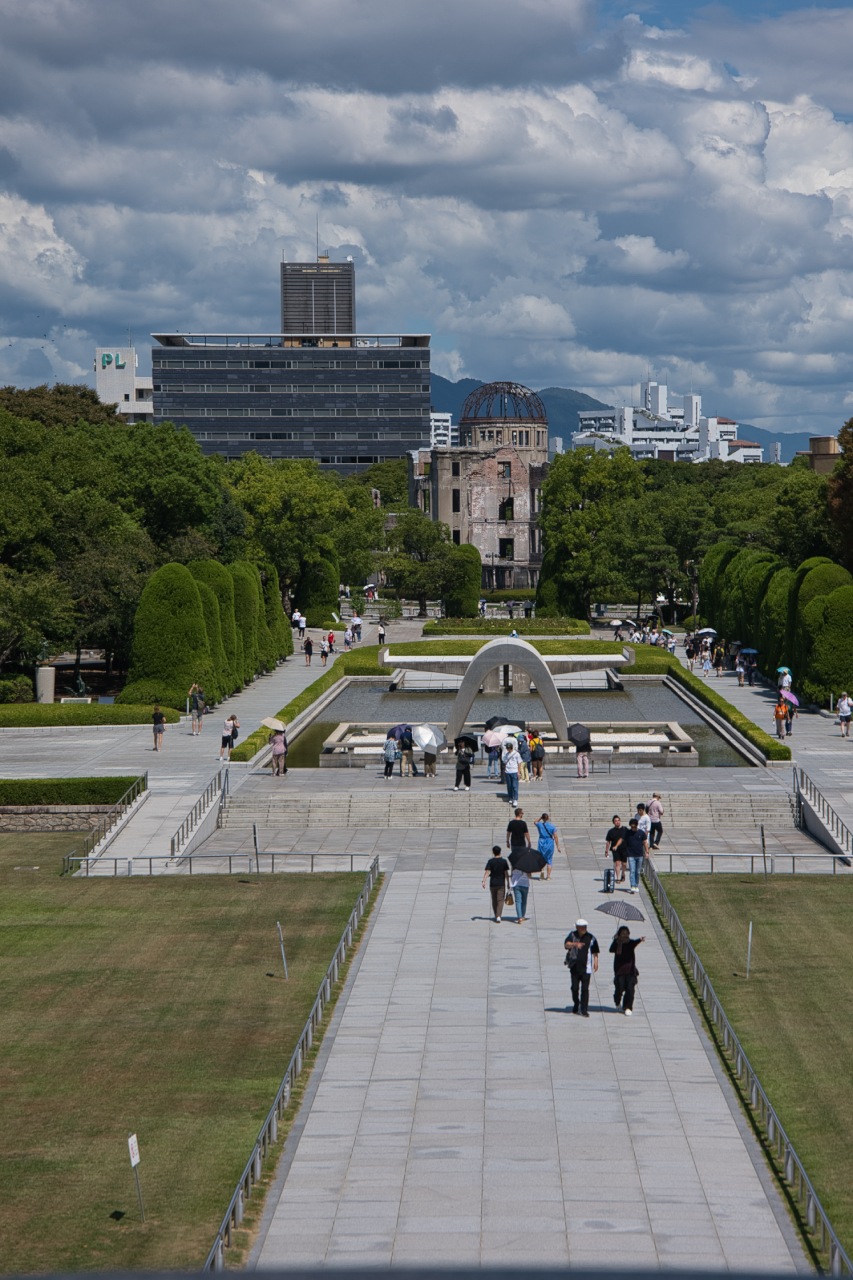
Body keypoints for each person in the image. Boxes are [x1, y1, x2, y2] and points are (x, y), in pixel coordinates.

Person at [564, 919, 599, 1016]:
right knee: (574, 988)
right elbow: (566, 944)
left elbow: (595, 951)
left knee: (585, 989)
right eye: (581, 927)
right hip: (574, 967)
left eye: (585, 926)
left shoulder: (591, 937)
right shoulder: (572, 935)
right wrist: (575, 944)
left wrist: (595, 961)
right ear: (577, 927)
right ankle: (576, 1002)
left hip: (586, 968)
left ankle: (584, 1009)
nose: (584, 928)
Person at [610, 926, 645, 1016]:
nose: (625, 935)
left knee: (630, 989)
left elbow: (636, 941)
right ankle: (617, 1002)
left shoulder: (631, 943)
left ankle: (628, 1007)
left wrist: (641, 939)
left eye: (626, 933)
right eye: (623, 933)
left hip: (630, 971)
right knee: (619, 989)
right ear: (619, 934)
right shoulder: (617, 944)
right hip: (620, 971)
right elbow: (611, 950)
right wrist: (615, 940)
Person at [482, 844, 510, 922]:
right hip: (501, 883)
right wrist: (508, 882)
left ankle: (496, 914)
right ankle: (498, 915)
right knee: (500, 900)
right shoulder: (504, 861)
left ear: (493, 852)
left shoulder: (490, 861)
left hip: (493, 883)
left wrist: (484, 881)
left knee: (494, 900)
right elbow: (506, 873)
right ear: (500, 852)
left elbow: (487, 871)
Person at [624, 818, 648, 893]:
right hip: (631, 855)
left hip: (639, 854)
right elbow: (622, 840)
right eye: (631, 827)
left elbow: (645, 843)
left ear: (637, 826)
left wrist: (647, 852)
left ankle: (636, 884)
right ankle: (632, 885)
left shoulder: (641, 833)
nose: (633, 828)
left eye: (634, 827)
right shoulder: (628, 833)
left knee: (638, 872)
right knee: (632, 871)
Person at [535, 812, 560, 881]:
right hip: (549, 842)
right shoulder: (552, 826)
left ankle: (542, 870)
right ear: (548, 818)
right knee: (549, 859)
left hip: (541, 841)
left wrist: (540, 817)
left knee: (541, 858)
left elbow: (535, 822)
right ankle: (548, 876)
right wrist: (558, 846)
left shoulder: (540, 825)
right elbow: (555, 837)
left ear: (542, 818)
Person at [605, 815, 627, 884]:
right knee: (617, 863)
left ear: (620, 821)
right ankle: (618, 878)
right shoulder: (611, 831)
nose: (617, 822)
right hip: (615, 849)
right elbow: (608, 841)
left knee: (624, 864)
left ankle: (623, 874)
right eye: (615, 821)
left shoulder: (625, 829)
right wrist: (606, 851)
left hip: (624, 848)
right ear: (613, 822)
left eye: (618, 820)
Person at [504, 738, 521, 804]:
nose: (507, 749)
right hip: (508, 771)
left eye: (508, 748)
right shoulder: (506, 754)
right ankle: (510, 797)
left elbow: (519, 763)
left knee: (514, 786)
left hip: (514, 771)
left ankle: (515, 798)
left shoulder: (516, 754)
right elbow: (505, 762)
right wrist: (505, 770)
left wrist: (518, 772)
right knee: (509, 785)